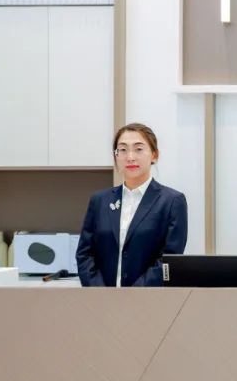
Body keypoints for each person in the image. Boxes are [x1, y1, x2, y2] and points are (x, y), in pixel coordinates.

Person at [76, 123, 188, 287]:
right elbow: (84, 254)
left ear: (154, 155)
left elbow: (169, 259)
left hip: (148, 297)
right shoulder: (99, 201)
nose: (130, 157)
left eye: (138, 149)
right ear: (116, 156)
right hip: (100, 298)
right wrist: (100, 292)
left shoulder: (172, 201)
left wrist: (133, 295)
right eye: (122, 150)